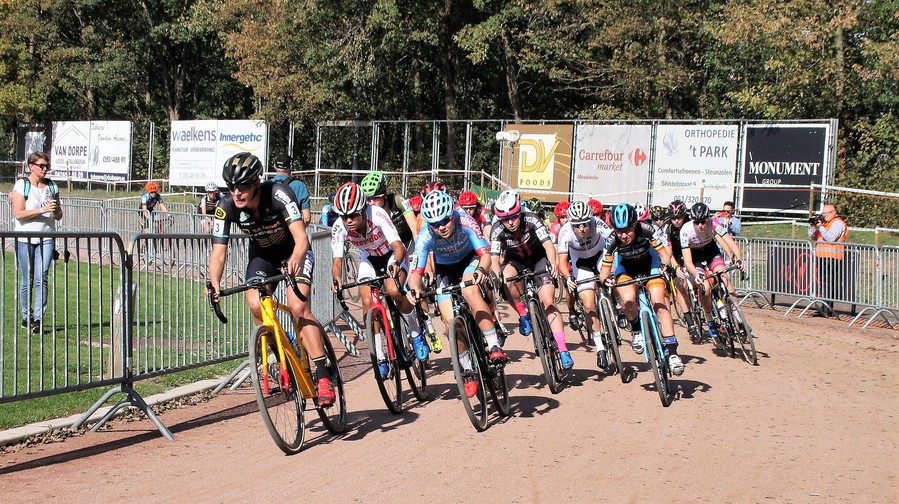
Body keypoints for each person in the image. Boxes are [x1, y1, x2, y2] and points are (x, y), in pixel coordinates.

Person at [207, 152, 335, 406]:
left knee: (298, 306)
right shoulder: (226, 206)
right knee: (255, 301)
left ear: (256, 182)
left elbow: (301, 238)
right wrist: (214, 282)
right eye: (231, 187)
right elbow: (218, 252)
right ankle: (281, 351)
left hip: (293, 251)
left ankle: (323, 374)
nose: (236, 193)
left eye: (242, 186)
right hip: (263, 255)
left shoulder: (278, 194)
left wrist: (294, 261)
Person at [406, 190, 505, 399]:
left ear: (452, 215)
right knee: (450, 321)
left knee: (470, 290)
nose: (441, 227)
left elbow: (485, 256)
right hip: (445, 270)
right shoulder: (425, 235)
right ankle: (467, 370)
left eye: (444, 221)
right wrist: (414, 288)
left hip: (470, 260)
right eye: (435, 224)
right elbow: (416, 273)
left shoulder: (466, 221)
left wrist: (480, 271)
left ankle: (493, 343)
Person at [329, 181, 429, 378]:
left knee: (393, 290)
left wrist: (395, 265)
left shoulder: (378, 214)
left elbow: (399, 247)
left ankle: (416, 334)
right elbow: (337, 261)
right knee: (368, 303)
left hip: (391, 254)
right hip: (369, 258)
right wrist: (337, 278)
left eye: (353, 215)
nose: (348, 220)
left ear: (363, 210)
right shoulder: (339, 227)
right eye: (344, 216)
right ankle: (380, 356)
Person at [490, 190, 573, 368]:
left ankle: (563, 348)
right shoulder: (497, 228)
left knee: (548, 301)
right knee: (505, 279)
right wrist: (497, 277)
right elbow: (494, 259)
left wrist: (552, 264)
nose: (510, 222)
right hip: (515, 260)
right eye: (505, 219)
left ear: (519, 212)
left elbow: (549, 245)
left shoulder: (532, 218)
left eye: (513, 217)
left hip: (538, 258)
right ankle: (523, 314)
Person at [599, 203, 684, 376]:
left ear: (635, 224)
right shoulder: (611, 239)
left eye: (628, 230)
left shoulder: (648, 229)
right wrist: (606, 280)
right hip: (626, 268)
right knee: (628, 299)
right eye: (618, 230)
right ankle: (636, 328)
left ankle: (673, 351)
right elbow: (604, 272)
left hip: (650, 264)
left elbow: (664, 255)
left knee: (658, 301)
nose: (623, 235)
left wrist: (665, 266)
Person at [679, 202, 747, 342]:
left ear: (707, 219)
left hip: (711, 252)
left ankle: (738, 318)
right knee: (705, 287)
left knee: (724, 277)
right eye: (697, 222)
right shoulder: (686, 231)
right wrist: (697, 275)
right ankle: (709, 319)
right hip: (695, 257)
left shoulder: (713, 222)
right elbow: (687, 260)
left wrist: (739, 259)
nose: (701, 226)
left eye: (703, 222)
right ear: (693, 221)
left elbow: (730, 242)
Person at [558, 200, 614, 368]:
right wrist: (568, 278)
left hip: (600, 256)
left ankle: (617, 306)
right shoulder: (565, 231)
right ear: (571, 223)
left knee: (613, 280)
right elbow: (562, 263)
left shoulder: (597, 223)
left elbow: (613, 242)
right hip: (580, 263)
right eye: (577, 225)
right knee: (589, 305)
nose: (582, 229)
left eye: (584, 224)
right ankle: (600, 348)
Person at [11, 152, 62, 333]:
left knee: (43, 277)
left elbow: (59, 214)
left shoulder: (52, 186)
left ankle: (39, 319)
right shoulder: (22, 185)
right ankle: (27, 316)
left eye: (47, 166)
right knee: (28, 279)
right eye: (41, 165)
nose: (45, 169)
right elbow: (19, 213)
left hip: (46, 237)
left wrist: (55, 212)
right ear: (31, 166)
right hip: (24, 238)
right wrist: (42, 209)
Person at [808, 204, 848, 308]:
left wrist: (821, 227)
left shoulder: (838, 223)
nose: (823, 215)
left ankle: (828, 308)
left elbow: (831, 238)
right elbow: (812, 236)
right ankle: (824, 307)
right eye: (823, 213)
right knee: (824, 282)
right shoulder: (824, 224)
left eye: (825, 213)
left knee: (830, 283)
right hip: (822, 257)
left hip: (833, 257)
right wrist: (814, 227)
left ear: (833, 212)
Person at [360, 171, 416, 245]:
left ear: (385, 194)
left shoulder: (398, 200)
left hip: (408, 241)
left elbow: (414, 227)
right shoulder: (367, 211)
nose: (371, 203)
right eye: (368, 199)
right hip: (387, 247)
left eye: (375, 198)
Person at [271, 154, 312, 225]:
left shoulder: (266, 185)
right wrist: (299, 230)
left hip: (271, 232)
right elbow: (307, 218)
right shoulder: (299, 186)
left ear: (274, 166)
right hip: (292, 231)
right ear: (291, 167)